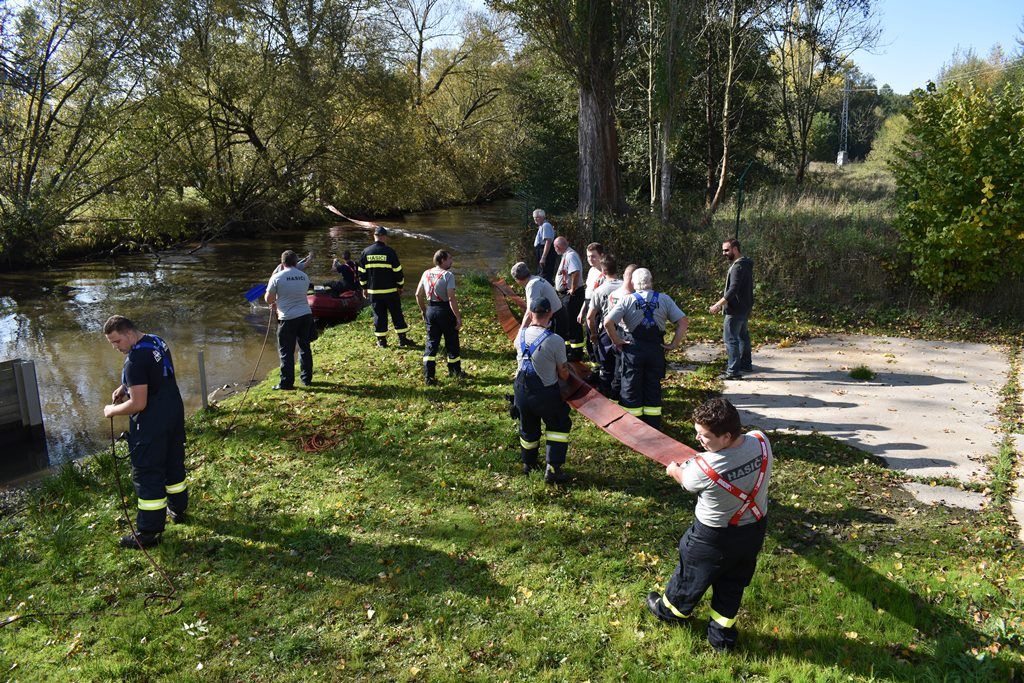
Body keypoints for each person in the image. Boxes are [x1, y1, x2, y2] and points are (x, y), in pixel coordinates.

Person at [645, 397, 773, 653]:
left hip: (711, 538)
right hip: (753, 531)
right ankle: (721, 635)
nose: (698, 441)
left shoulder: (701, 469)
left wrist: (673, 470)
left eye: (704, 436)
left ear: (726, 436)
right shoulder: (761, 441)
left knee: (690, 577)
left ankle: (670, 612)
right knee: (733, 583)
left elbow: (685, 479)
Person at [102, 315, 188, 549]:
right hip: (173, 413)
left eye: (117, 342)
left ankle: (149, 532)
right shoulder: (156, 341)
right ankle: (178, 509)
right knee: (173, 462)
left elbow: (138, 404)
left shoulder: (135, 360)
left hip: (152, 423)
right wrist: (124, 386)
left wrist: (112, 410)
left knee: (148, 472)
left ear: (129, 333)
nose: (116, 347)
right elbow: (156, 373)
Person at [604, 268, 688, 430]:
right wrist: (673, 344)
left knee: (630, 386)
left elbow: (608, 322)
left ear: (634, 283)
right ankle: (653, 427)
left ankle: (632, 428)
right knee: (652, 386)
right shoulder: (665, 299)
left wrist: (617, 341)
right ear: (651, 281)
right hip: (655, 350)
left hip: (633, 350)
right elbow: (683, 321)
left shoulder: (627, 300)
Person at [514, 297, 572, 484]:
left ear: (531, 314)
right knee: (559, 425)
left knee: (528, 427)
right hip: (545, 393)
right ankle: (553, 469)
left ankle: (528, 463)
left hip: (521, 390)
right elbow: (563, 374)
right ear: (550, 314)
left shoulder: (520, 335)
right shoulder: (555, 340)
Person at [266, 250, 316, 390]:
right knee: (305, 348)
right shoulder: (304, 276)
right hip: (305, 315)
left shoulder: (277, 277)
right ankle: (306, 379)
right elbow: (299, 293)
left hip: (287, 318)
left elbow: (269, 299)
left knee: (286, 351)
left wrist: (275, 300)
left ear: (282, 263)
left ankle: (287, 383)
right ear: (295, 262)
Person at [358, 226, 415, 348]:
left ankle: (382, 341)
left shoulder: (366, 252)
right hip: (391, 291)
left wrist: (364, 288)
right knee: (396, 314)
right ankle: (402, 339)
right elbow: (398, 272)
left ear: (375, 236)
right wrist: (400, 286)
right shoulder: (390, 252)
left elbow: (361, 273)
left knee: (379, 315)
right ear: (384, 237)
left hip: (374, 292)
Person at [415, 250, 465, 385]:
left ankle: (429, 377)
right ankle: (455, 371)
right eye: (450, 259)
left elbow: (417, 295)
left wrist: (424, 311)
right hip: (445, 311)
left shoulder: (426, 273)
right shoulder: (448, 275)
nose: (452, 261)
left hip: (431, 310)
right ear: (442, 260)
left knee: (431, 343)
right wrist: (458, 317)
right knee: (452, 342)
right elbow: (451, 298)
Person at [709, 238, 754, 380]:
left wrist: (718, 304)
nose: (724, 253)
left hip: (735, 310)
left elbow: (732, 290)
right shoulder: (746, 264)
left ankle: (733, 371)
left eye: (726, 250)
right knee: (743, 337)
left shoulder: (737, 267)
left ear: (735, 249)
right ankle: (745, 364)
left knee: (730, 339)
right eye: (723, 250)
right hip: (745, 307)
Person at [586, 255, 623, 397]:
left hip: (606, 332)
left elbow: (590, 317)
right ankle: (620, 389)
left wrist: (594, 335)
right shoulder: (625, 286)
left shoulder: (599, 291)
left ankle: (606, 391)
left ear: (602, 270)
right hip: (623, 330)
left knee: (606, 363)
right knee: (621, 363)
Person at [552, 236, 585, 361]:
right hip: (566, 294)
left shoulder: (570, 256)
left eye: (555, 247)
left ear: (557, 247)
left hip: (572, 294)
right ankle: (568, 349)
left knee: (572, 322)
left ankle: (577, 352)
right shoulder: (566, 255)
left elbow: (575, 273)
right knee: (566, 321)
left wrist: (572, 289)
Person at [511, 262, 562, 328]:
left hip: (555, 318)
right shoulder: (535, 279)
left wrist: (522, 331)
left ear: (517, 279)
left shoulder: (532, 285)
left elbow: (529, 311)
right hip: (556, 314)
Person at [578, 242, 606, 364]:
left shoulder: (605, 274)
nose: (590, 259)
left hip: (599, 309)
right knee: (589, 338)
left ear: (601, 256)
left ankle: (601, 367)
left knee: (598, 338)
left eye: (593, 256)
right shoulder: (591, 271)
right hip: (589, 305)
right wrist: (582, 311)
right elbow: (588, 293)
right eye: (588, 256)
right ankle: (594, 364)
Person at [532, 209, 556, 285]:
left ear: (542, 217)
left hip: (545, 251)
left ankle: (548, 293)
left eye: (537, 217)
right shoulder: (541, 226)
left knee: (545, 274)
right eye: (534, 217)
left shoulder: (546, 225)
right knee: (541, 273)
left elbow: (548, 242)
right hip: (540, 250)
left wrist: (543, 257)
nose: (535, 219)